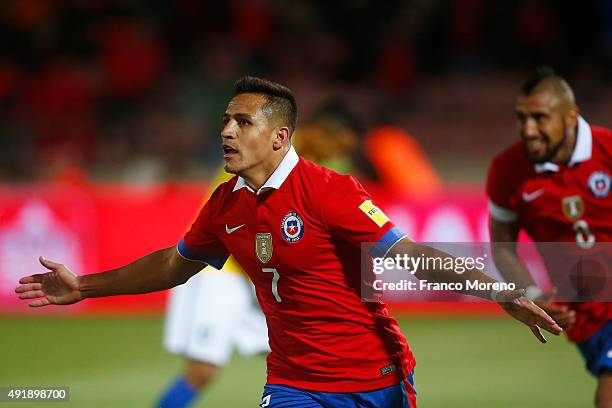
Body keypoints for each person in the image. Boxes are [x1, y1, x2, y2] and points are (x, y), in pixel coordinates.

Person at [16, 76, 561, 408]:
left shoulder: (330, 191)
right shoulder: (225, 204)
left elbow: (410, 254)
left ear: (279, 137)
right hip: (293, 384)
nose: (226, 131)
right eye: (225, 120)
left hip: (373, 378)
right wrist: (84, 285)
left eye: (242, 121)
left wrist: (499, 293)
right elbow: (172, 265)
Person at [487, 67, 612, 408]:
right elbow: (503, 248)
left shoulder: (608, 150)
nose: (528, 130)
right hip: (587, 316)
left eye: (540, 118)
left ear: (571, 117)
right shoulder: (508, 171)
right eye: (522, 118)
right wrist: (532, 295)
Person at [157, 168, 269, 408]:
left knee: (298, 355)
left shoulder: (287, 165)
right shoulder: (255, 164)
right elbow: (237, 231)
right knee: (202, 370)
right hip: (216, 274)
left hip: (239, 276)